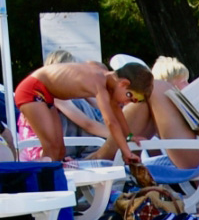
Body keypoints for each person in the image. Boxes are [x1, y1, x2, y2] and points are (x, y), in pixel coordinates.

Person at [12, 58, 149, 164]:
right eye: (131, 98)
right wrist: (126, 152)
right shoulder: (98, 82)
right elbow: (111, 122)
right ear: (123, 83)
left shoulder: (107, 85)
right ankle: (44, 189)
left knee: (60, 152)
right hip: (33, 89)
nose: (126, 103)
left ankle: (52, 187)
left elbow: (117, 113)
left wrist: (129, 136)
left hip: (46, 94)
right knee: (51, 148)